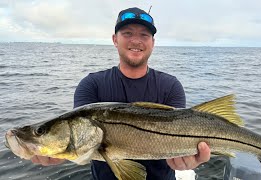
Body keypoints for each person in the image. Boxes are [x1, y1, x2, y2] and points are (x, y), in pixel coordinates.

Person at [31, 7, 211, 179]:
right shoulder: (91, 84)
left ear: (153, 43)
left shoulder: (171, 86)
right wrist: (64, 153)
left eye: (144, 35)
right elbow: (83, 142)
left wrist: (187, 160)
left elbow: (185, 133)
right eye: (127, 33)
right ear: (115, 39)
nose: (136, 40)